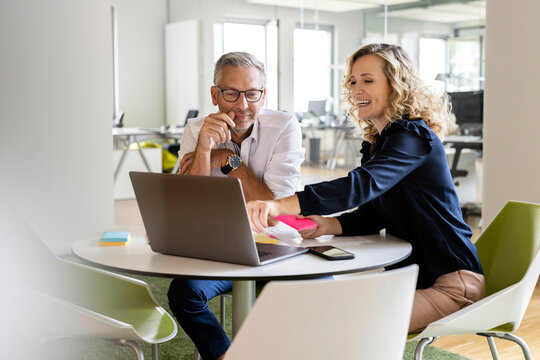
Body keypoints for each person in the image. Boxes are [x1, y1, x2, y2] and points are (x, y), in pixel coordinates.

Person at [247, 43, 485, 333]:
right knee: (315, 315)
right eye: (353, 81)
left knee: (342, 328)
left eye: (368, 81)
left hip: (450, 283)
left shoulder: (413, 138)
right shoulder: (379, 143)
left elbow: (360, 185)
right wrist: (329, 224)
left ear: (397, 85)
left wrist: (280, 204)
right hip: (411, 278)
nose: (357, 89)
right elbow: (374, 214)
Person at [167, 51, 304, 360]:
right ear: (215, 95)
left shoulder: (284, 126)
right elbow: (189, 209)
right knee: (183, 293)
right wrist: (204, 148)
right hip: (218, 247)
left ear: (263, 94)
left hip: (275, 244)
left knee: (323, 285)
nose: (242, 105)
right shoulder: (197, 129)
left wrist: (230, 163)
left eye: (252, 94)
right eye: (231, 93)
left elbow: (275, 211)